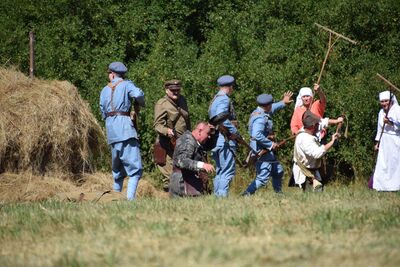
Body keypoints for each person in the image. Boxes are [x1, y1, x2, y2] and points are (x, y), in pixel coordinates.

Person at [99, 62, 145, 200]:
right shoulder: (126, 85)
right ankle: (130, 200)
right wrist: (140, 103)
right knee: (135, 170)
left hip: (111, 131)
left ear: (112, 74)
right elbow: (138, 94)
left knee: (117, 171)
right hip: (125, 130)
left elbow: (102, 111)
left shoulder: (104, 90)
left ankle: (114, 198)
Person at [241, 92, 293, 195]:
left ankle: (279, 194)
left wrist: (283, 102)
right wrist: (270, 144)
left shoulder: (261, 111)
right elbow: (256, 135)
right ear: (267, 105)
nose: (271, 106)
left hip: (266, 151)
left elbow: (273, 107)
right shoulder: (260, 118)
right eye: (270, 104)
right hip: (262, 151)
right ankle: (246, 194)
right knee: (263, 178)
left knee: (278, 171)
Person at [153, 79, 191, 192]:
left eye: (177, 90)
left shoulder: (183, 100)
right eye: (172, 90)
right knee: (170, 177)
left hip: (182, 143)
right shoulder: (162, 104)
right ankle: (169, 201)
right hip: (167, 145)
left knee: (183, 173)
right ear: (166, 90)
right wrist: (167, 131)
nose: (175, 92)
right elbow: (157, 125)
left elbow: (187, 121)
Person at [208, 75, 239, 197]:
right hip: (225, 139)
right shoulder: (224, 99)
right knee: (227, 171)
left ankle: (217, 197)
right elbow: (222, 119)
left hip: (217, 140)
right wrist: (235, 133)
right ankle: (222, 198)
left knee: (220, 171)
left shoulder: (215, 99)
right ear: (230, 87)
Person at [292, 110, 339, 191]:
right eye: (316, 123)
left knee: (317, 198)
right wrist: (331, 142)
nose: (319, 124)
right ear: (313, 126)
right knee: (310, 200)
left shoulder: (305, 129)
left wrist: (337, 121)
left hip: (311, 171)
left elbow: (322, 123)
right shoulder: (305, 139)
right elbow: (317, 153)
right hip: (305, 174)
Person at [169, 122, 216, 197]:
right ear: (200, 131)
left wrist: (215, 131)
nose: (209, 137)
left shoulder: (195, 141)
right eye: (208, 133)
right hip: (182, 185)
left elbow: (210, 145)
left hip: (187, 183)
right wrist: (202, 165)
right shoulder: (188, 141)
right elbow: (182, 161)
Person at [373, 91, 400, 191]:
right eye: (382, 101)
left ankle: (395, 186)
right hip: (384, 141)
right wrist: (377, 142)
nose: (384, 103)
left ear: (391, 100)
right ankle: (382, 186)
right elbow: (379, 129)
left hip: (395, 140)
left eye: (386, 101)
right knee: (383, 164)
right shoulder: (381, 112)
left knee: (394, 164)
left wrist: (390, 122)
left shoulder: (397, 110)